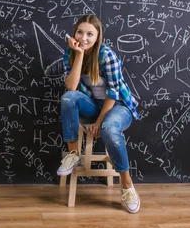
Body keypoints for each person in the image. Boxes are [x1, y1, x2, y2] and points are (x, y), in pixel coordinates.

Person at [57, 15, 141, 213]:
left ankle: (127, 184)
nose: (84, 38)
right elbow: (71, 86)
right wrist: (78, 54)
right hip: (93, 104)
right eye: (80, 32)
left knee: (109, 130)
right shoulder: (70, 52)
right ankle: (73, 154)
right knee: (68, 98)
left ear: (98, 37)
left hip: (118, 106)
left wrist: (100, 121)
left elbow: (113, 93)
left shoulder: (107, 55)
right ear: (74, 32)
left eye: (90, 34)